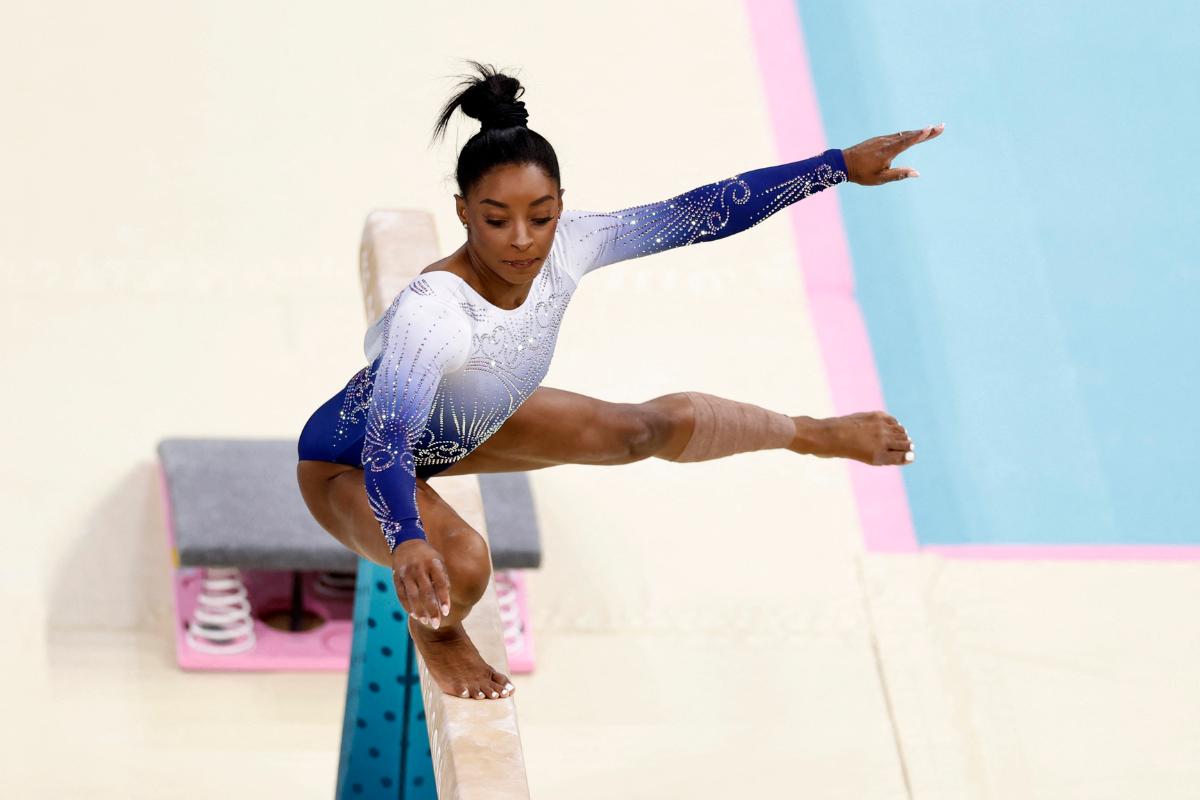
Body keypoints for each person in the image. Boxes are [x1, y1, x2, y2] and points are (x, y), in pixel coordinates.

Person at [296, 61, 943, 701]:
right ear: (463, 212)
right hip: (348, 467)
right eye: (496, 220)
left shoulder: (575, 243)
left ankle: (812, 434)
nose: (522, 241)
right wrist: (407, 540)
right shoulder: (435, 314)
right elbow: (386, 444)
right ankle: (436, 634)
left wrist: (833, 167)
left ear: (561, 208)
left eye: (541, 216)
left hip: (467, 429)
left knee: (642, 431)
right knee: (463, 563)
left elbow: (704, 213)